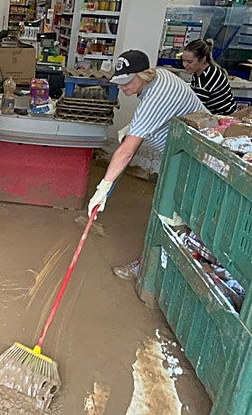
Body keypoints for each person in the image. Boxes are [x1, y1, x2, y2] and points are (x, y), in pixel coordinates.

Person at [87, 50, 208, 280]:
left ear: (143, 75)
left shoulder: (155, 98)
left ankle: (148, 269)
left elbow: (127, 151)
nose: (122, 88)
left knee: (169, 214)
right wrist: (133, 128)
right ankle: (166, 267)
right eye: (119, 81)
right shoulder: (159, 77)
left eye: (126, 82)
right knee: (176, 212)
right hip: (182, 155)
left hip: (193, 162)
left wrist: (103, 186)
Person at [181, 38, 236, 115]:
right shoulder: (199, 72)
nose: (185, 65)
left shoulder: (208, 78)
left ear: (203, 59)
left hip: (224, 120)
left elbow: (195, 109)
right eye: (183, 60)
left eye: (189, 62)